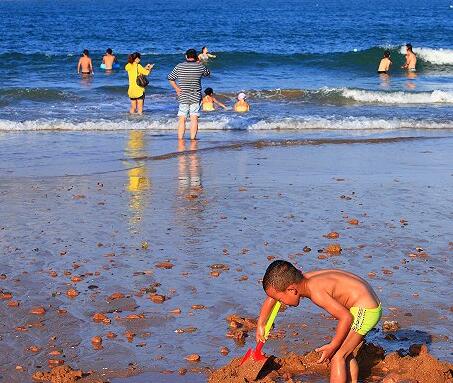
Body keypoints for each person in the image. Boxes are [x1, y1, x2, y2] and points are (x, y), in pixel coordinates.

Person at [256, 260, 381, 383]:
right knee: (345, 353)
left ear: (292, 290)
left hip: (366, 310)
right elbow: (272, 296)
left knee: (338, 356)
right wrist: (261, 323)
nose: (280, 303)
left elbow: (346, 317)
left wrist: (333, 345)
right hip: (364, 301)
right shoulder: (302, 278)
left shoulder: (316, 293)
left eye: (281, 299)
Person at [168, 49, 210, 140]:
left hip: (183, 95)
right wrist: (200, 62)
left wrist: (177, 88)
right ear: (196, 57)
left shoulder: (179, 66)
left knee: (182, 119)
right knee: (194, 118)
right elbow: (207, 73)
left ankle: (180, 139)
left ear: (186, 56)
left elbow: (170, 78)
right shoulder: (200, 66)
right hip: (196, 95)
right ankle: (192, 139)